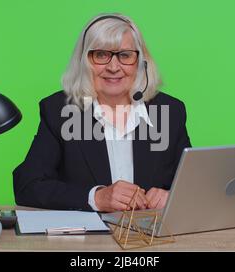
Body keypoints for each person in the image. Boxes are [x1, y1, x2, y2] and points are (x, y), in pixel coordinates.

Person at [13, 13, 191, 212]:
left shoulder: (169, 111)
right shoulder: (59, 111)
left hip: (151, 239)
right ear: (84, 61)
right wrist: (96, 197)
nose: (113, 67)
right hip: (88, 240)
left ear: (141, 62)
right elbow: (27, 186)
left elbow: (195, 185)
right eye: (100, 55)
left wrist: (173, 196)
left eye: (125, 55)